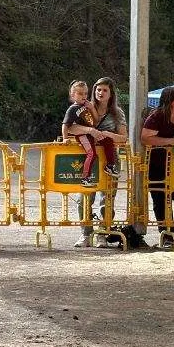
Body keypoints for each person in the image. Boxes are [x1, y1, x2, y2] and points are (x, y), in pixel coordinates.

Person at [64, 77, 128, 248]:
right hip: (89, 158)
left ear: (111, 93)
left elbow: (123, 137)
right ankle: (85, 234)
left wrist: (108, 135)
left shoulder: (117, 113)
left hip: (109, 159)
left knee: (107, 199)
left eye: (105, 90)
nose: (101, 93)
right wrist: (90, 130)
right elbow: (70, 127)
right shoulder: (83, 107)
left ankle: (102, 234)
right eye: (98, 89)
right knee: (84, 197)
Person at [141, 86, 174, 247]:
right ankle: (166, 236)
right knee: (161, 200)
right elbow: (145, 138)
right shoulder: (157, 116)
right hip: (157, 165)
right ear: (170, 101)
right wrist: (172, 141)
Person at [62, 80, 119, 188]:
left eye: (85, 93)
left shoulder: (87, 106)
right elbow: (65, 125)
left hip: (92, 133)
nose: (84, 96)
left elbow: (96, 120)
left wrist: (92, 108)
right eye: (80, 94)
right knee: (91, 154)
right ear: (73, 95)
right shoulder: (72, 109)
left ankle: (110, 165)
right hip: (83, 135)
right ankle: (85, 178)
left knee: (108, 140)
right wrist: (65, 138)